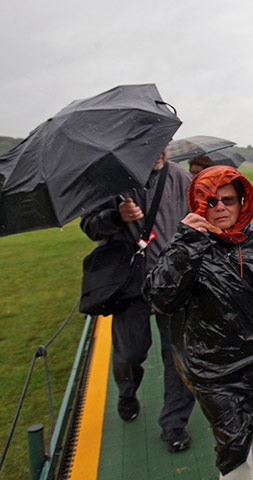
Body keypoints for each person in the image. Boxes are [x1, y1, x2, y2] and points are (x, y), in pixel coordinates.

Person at [143, 166, 253, 480]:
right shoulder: (189, 245)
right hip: (219, 370)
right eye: (210, 201)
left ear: (241, 200)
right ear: (197, 204)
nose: (219, 207)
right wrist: (186, 243)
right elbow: (160, 297)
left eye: (228, 200)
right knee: (234, 443)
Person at [80, 147, 196, 452]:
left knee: (179, 357)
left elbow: (198, 223)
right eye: (148, 145)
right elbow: (89, 225)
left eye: (163, 143)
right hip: (130, 284)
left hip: (173, 283)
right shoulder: (110, 182)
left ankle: (174, 423)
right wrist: (115, 217)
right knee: (130, 353)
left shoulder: (182, 179)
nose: (158, 151)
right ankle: (127, 390)